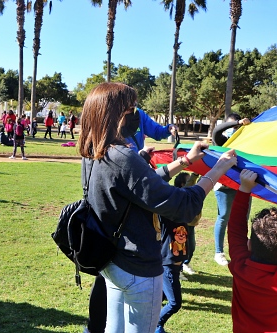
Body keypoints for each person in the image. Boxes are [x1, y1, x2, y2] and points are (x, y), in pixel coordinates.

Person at [78, 82, 236, 333]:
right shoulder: (123, 156)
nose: (137, 115)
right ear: (117, 113)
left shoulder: (94, 151)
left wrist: (185, 161)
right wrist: (217, 170)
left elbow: (142, 187)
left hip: (112, 262)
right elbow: (182, 205)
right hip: (138, 267)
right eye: (132, 109)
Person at [85, 102, 178, 333]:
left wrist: (169, 132)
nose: (133, 114)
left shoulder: (118, 143)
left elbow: (158, 131)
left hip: (115, 246)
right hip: (123, 248)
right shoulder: (112, 153)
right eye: (127, 109)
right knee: (106, 285)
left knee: (110, 288)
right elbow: (177, 203)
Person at [228, 169, 277, 333]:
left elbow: (235, 229)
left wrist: (244, 189)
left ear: (249, 245)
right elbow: (236, 230)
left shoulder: (241, 267)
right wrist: (244, 189)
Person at [154, 172, 201, 333]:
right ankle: (157, 324)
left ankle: (150, 321)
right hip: (168, 266)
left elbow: (192, 198)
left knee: (161, 297)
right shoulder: (166, 216)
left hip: (175, 266)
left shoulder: (185, 215)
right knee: (175, 303)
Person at [212, 113, 251, 266]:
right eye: (231, 126)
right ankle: (218, 252)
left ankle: (242, 249)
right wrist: (237, 122)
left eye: (236, 127)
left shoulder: (245, 142)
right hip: (224, 186)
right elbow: (217, 130)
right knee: (223, 217)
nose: (233, 129)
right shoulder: (221, 140)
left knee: (242, 219)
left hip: (243, 185)